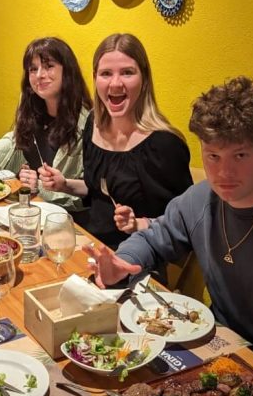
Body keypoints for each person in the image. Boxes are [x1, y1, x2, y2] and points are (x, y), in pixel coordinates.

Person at [88, 76, 253, 393]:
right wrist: (122, 261)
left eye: (240, 156)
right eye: (213, 156)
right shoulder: (199, 200)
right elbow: (153, 237)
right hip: (220, 351)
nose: (223, 174)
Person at [39, 33, 192, 248]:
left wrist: (138, 224)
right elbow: (96, 191)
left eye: (127, 72)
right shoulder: (94, 122)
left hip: (139, 256)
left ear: (144, 78)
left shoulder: (165, 144)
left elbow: (185, 222)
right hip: (91, 246)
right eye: (106, 73)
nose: (115, 83)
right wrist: (64, 185)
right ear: (95, 78)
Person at [0, 37, 91, 216]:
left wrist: (40, 186)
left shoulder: (86, 124)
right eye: (33, 69)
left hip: (69, 222)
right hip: (29, 211)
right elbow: (15, 139)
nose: (39, 75)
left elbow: (89, 194)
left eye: (48, 66)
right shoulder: (34, 109)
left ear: (68, 72)